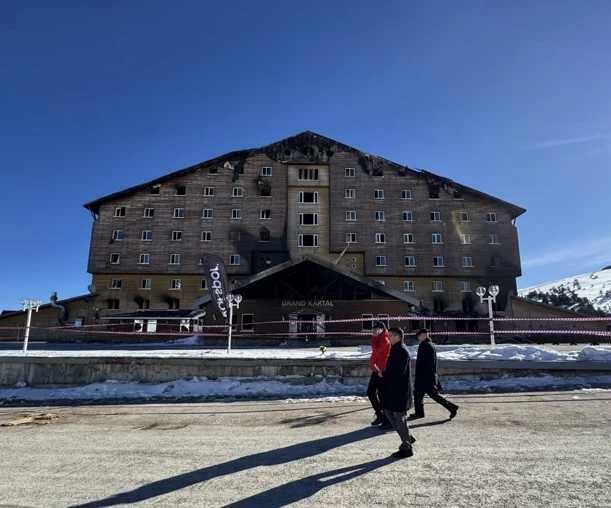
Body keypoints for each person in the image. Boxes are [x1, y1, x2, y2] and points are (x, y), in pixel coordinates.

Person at [381, 327, 416, 458]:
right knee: (388, 411)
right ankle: (407, 436)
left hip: (400, 391)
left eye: (390, 336)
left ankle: (406, 447)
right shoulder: (396, 349)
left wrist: (383, 373)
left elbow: (398, 371)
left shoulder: (401, 350)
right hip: (395, 389)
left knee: (400, 418)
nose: (388, 338)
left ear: (397, 337)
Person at [410, 328, 459, 420]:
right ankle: (419, 412)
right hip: (425, 376)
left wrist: (423, 373)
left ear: (423, 335)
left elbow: (429, 362)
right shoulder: (426, 344)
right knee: (418, 395)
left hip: (426, 377)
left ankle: (451, 407)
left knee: (432, 395)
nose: (418, 338)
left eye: (419, 336)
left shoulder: (427, 345)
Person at [367, 321, 391, 427]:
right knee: (371, 392)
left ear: (381, 329)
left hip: (383, 370)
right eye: (373, 329)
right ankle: (380, 414)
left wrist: (374, 338)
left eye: (375, 329)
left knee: (382, 395)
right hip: (377, 370)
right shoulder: (379, 338)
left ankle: (386, 418)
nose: (373, 331)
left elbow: (376, 350)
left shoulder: (385, 339)